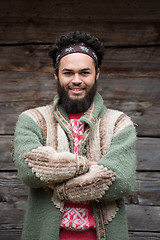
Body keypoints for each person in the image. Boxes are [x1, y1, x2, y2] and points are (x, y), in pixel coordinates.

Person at [14, 31, 137, 240]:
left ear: (97, 74)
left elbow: (121, 181)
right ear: (56, 75)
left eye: (85, 72)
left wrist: (56, 182)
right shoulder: (33, 119)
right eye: (68, 73)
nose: (76, 80)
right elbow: (28, 170)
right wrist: (88, 166)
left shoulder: (118, 123)